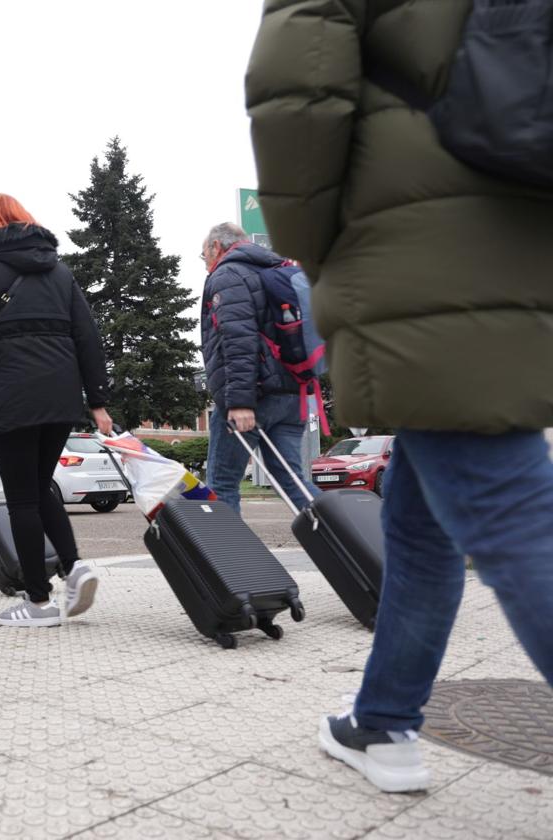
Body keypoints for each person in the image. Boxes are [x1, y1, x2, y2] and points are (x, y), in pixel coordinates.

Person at [247, 0, 553, 793]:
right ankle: (381, 723)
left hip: (415, 247)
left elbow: (296, 103)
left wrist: (314, 254)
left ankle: (382, 721)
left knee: (515, 517)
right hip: (516, 236)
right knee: (418, 530)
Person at [0, 194, 112, 628]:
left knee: (22, 498)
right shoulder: (60, 271)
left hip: (14, 394)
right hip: (61, 396)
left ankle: (38, 602)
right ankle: (75, 567)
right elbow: (87, 335)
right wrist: (97, 399)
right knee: (41, 488)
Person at [200, 222, 320, 515]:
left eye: (203, 254)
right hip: (293, 396)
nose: (204, 262)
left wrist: (240, 402)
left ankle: (230, 560)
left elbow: (238, 340)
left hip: (253, 398)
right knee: (293, 481)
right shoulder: (278, 270)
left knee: (223, 483)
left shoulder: (228, 275)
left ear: (217, 247)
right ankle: (352, 542)